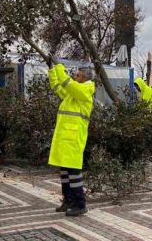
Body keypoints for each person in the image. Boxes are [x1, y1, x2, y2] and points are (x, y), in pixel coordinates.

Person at [47, 56, 94, 217]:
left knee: (74, 172)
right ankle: (68, 200)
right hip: (65, 138)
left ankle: (80, 204)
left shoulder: (85, 90)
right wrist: (52, 69)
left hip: (74, 139)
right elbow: (57, 86)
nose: (75, 77)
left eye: (78, 75)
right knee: (65, 171)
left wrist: (59, 67)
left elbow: (69, 85)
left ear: (85, 78)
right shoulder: (73, 94)